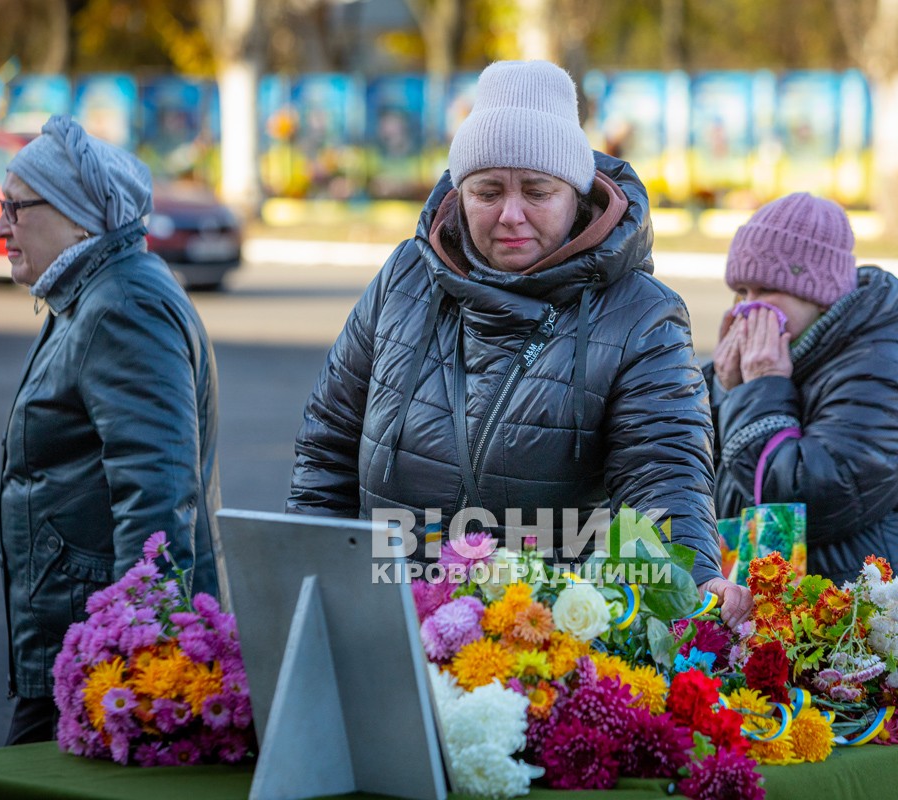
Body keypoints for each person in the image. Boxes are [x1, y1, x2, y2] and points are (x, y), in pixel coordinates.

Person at [288, 60, 750, 624]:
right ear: (459, 193)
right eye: (487, 191)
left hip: (551, 648)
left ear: (576, 195)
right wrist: (310, 582)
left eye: (537, 191)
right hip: (386, 624)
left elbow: (664, 470)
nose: (511, 215)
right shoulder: (406, 277)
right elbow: (326, 447)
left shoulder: (643, 315)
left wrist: (693, 578)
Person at [0, 115, 222, 745]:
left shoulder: (123, 305)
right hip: (80, 644)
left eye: (15, 206)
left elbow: (157, 494)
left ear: (77, 214)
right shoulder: (92, 293)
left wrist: (138, 646)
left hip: (104, 657)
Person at [708, 192, 898, 655]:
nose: (747, 309)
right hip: (799, 627)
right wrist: (724, 388)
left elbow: (802, 500)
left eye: (765, 292)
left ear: (817, 293)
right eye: (741, 293)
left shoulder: (883, 372)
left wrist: (755, 390)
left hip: (871, 638)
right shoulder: (790, 358)